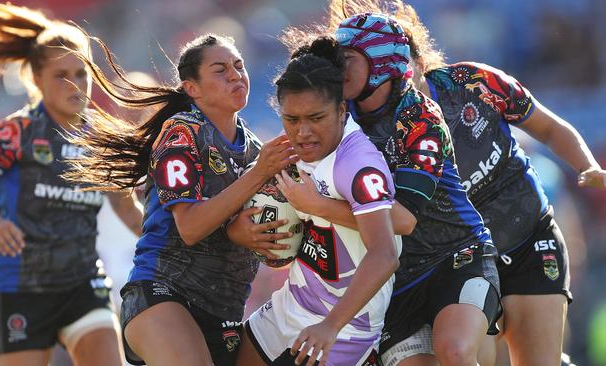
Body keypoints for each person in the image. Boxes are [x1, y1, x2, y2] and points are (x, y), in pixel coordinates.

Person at [326, 1, 606, 365]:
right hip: (454, 260)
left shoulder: (475, 83)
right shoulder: (367, 131)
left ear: (413, 62)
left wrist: (587, 167)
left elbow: (550, 128)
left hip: (527, 239)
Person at [280, 10, 503, 366]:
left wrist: (318, 205)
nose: (338, 68)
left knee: (456, 351)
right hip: (397, 280)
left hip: (456, 257)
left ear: (383, 62)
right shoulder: (337, 112)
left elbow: (403, 220)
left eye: (347, 59)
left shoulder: (420, 117)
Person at [62, 33, 297, 366]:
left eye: (239, 65)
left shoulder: (255, 149)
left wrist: (270, 240)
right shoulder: (181, 132)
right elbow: (190, 227)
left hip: (225, 310)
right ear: (192, 88)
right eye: (220, 69)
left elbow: (256, 235)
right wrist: (258, 174)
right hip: (164, 295)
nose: (235, 74)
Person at [0, 2, 144, 366]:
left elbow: (127, 208)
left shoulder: (100, 139)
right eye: (62, 75)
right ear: (37, 80)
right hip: (21, 286)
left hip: (84, 282)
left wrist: (167, 248)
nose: (75, 85)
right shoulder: (17, 132)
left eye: (82, 73)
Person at [232, 37, 401, 366]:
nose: (303, 132)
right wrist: (240, 231)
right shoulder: (288, 150)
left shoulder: (358, 165)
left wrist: (330, 326)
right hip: (290, 304)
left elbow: (385, 255)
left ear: (340, 111)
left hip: (345, 325)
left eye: (316, 118)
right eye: (292, 120)